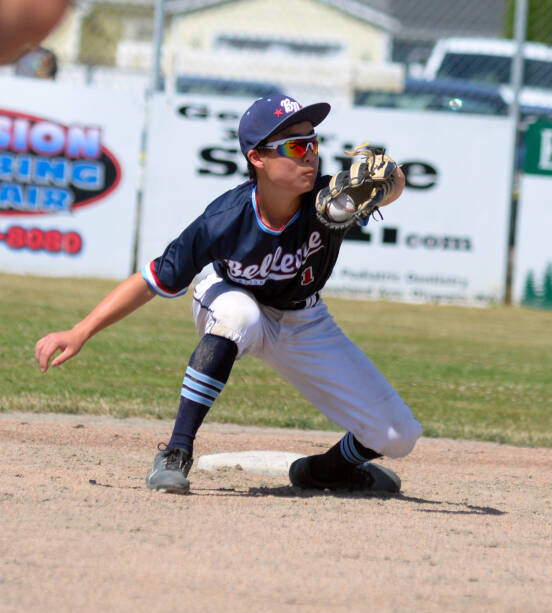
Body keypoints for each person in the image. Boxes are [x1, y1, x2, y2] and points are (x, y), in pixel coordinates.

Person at [34, 95, 422, 495]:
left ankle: (326, 470)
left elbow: (389, 187)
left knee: (398, 434)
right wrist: (80, 331)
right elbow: (153, 280)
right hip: (229, 298)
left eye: (313, 143)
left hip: (304, 320)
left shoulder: (331, 203)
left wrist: (390, 176)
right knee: (240, 316)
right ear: (257, 157)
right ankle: (175, 452)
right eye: (295, 146)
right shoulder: (224, 219)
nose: (310, 155)